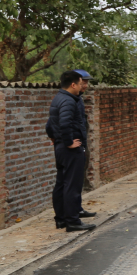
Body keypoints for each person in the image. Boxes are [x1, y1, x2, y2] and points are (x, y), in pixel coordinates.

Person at [46, 70, 96, 232]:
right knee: (72, 185)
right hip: (69, 149)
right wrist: (68, 142)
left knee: (61, 183)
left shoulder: (59, 98)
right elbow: (65, 123)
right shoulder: (69, 100)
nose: (83, 86)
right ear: (73, 84)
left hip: (60, 148)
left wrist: (56, 139)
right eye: (81, 83)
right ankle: (72, 221)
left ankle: (61, 219)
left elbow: (49, 124)